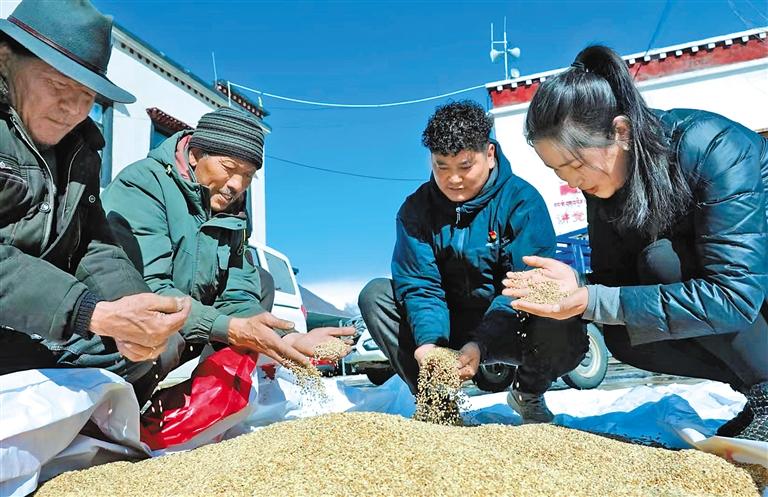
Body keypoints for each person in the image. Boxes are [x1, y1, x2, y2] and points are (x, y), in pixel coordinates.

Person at [505, 45, 767, 440]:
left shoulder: (712, 147)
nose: (571, 182)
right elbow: (614, 283)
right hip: (741, 301)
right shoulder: (603, 184)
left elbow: (735, 295)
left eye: (575, 164)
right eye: (557, 170)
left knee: (662, 265)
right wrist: (574, 288)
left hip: (752, 286)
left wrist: (593, 299)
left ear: (621, 132)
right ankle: (759, 394)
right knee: (625, 334)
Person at [0, 0, 190, 399]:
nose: (72, 110)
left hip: (27, 317)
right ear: (4, 58)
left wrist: (134, 308)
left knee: (140, 354)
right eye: (57, 86)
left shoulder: (79, 151)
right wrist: (88, 311)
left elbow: (93, 243)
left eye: (86, 96)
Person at [358, 101, 587, 423]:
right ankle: (439, 405)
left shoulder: (522, 201)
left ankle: (529, 391)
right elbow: (421, 286)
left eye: (465, 166)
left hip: (510, 325)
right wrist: (429, 344)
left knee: (553, 300)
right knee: (376, 295)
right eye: (442, 167)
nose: (453, 179)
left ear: (489, 154)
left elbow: (526, 285)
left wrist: (481, 343)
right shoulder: (415, 211)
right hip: (448, 328)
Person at [102, 107, 354, 389]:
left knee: (261, 281)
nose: (237, 185)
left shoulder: (235, 213)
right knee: (163, 337)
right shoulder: (144, 185)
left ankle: (203, 399)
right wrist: (230, 329)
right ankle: (126, 400)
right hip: (123, 324)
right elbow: (150, 289)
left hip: (188, 316)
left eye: (248, 176)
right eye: (229, 168)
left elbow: (238, 292)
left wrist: (289, 338)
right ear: (196, 155)